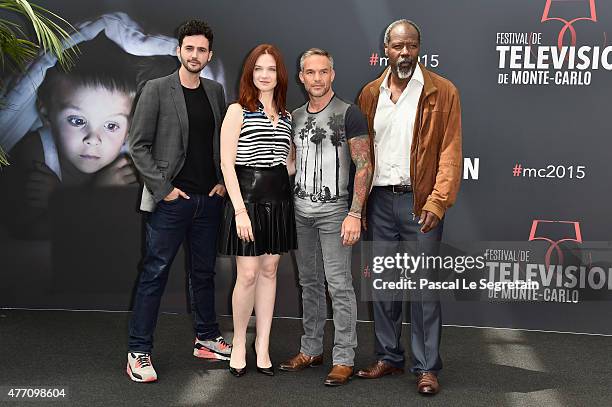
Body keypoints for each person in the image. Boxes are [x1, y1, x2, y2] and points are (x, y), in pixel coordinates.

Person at [355, 20, 462, 395]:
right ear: (385, 48)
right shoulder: (370, 94)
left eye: (411, 46)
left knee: (423, 288)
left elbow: (450, 152)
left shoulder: (441, 91)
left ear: (419, 48)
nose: (404, 53)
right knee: (383, 284)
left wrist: (438, 200)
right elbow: (362, 154)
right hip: (380, 201)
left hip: (421, 203)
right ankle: (388, 356)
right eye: (398, 46)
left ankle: (427, 366)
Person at [126, 20, 231, 383]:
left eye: (202, 50)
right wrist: (164, 189)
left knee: (203, 274)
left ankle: (206, 338)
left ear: (209, 55)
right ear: (178, 51)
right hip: (171, 202)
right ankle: (138, 351)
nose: (195, 55)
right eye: (189, 48)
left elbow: (221, 143)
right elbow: (137, 145)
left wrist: (220, 182)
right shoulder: (156, 89)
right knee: (154, 274)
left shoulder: (216, 91)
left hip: (208, 201)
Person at [278, 48, 372, 386]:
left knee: (339, 286)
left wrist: (355, 213)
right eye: (310, 73)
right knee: (309, 283)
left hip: (335, 213)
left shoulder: (351, 114)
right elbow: (291, 164)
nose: (317, 78)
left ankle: (344, 357)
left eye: (323, 72)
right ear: (301, 77)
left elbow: (364, 166)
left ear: (332, 74)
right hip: (300, 212)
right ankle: (311, 349)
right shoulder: (295, 116)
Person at [0, 37, 138, 239]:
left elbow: (122, 235)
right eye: (77, 121)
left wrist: (62, 202)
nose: (93, 139)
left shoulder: (127, 165)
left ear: (129, 129)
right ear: (46, 114)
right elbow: (30, 236)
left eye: (111, 125)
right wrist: (96, 196)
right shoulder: (38, 153)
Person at [218, 44, 297, 377]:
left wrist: (289, 168)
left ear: (279, 75)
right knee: (247, 274)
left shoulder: (288, 115)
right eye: (259, 69)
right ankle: (239, 342)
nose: (265, 75)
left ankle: (262, 344)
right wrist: (239, 210)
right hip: (247, 199)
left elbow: (290, 163)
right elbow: (226, 161)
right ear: (250, 74)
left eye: (271, 69)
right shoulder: (237, 110)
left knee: (269, 271)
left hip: (278, 200)